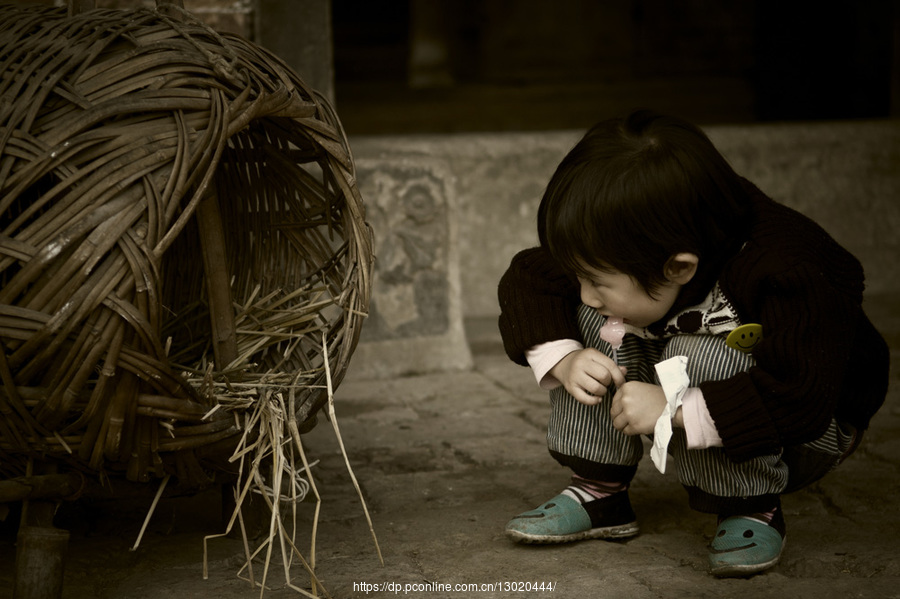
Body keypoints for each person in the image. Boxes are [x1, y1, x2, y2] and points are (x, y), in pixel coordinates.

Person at [497, 110, 889, 577]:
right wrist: (565, 360)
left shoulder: (788, 270)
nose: (584, 288)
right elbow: (530, 278)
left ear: (678, 267)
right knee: (583, 320)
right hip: (692, 385)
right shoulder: (620, 238)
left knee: (699, 352)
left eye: (596, 279)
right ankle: (599, 490)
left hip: (805, 424)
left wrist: (673, 407)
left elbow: (802, 394)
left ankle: (749, 507)